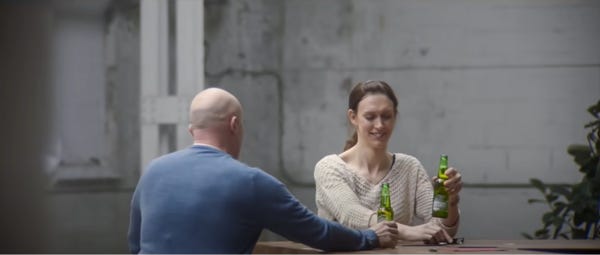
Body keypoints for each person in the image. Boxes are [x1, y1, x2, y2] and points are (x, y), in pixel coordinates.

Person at [128, 87, 400, 254]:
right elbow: (318, 233)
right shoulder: (250, 182)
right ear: (235, 125)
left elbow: (135, 244)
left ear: (192, 131)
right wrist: (370, 236)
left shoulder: (153, 171)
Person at [314, 80, 462, 244]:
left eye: (386, 116)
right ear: (353, 117)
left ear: (395, 117)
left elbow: (441, 229)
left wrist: (450, 201)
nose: (379, 125)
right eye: (370, 117)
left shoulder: (410, 167)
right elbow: (351, 215)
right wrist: (407, 231)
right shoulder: (329, 168)